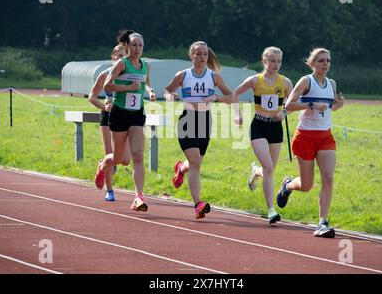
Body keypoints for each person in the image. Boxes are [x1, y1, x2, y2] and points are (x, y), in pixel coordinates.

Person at [276, 48, 345, 238]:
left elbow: (330, 107)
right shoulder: (306, 81)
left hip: (325, 137)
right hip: (305, 136)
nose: (325, 64)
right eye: (321, 60)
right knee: (306, 185)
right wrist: (311, 104)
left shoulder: (331, 83)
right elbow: (289, 105)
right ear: (312, 63)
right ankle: (288, 185)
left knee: (329, 178)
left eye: (328, 61)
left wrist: (337, 105)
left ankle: (322, 222)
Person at [164, 41, 235, 219]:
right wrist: (170, 96)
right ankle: (198, 204)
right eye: (198, 54)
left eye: (205, 54)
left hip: (205, 121)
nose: (202, 57)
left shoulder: (213, 77)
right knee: (195, 162)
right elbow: (167, 90)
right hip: (187, 119)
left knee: (195, 163)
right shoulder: (183, 75)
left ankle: (180, 169)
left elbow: (232, 97)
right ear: (191, 55)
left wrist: (216, 97)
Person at [94, 31, 156, 211]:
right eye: (134, 45)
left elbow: (146, 82)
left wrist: (150, 91)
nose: (137, 49)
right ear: (127, 46)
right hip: (119, 113)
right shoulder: (122, 64)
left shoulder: (145, 65)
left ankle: (138, 197)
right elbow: (107, 85)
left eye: (140, 45)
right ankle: (103, 165)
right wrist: (127, 87)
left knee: (137, 156)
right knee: (120, 159)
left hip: (137, 113)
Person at [233, 47, 293, 224]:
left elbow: (293, 101)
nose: (276, 64)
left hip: (276, 128)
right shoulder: (254, 80)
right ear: (265, 61)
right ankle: (271, 210)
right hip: (258, 126)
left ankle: (254, 171)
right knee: (268, 168)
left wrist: (285, 111)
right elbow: (235, 93)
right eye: (272, 61)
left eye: (279, 61)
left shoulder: (286, 82)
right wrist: (237, 114)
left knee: (268, 170)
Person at [88, 44, 131, 201]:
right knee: (110, 153)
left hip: (127, 115)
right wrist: (104, 106)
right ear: (113, 58)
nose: (121, 58)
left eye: (124, 55)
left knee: (125, 160)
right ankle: (110, 190)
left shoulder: (131, 74)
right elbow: (92, 96)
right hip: (109, 115)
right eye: (119, 56)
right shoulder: (105, 74)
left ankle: (102, 166)